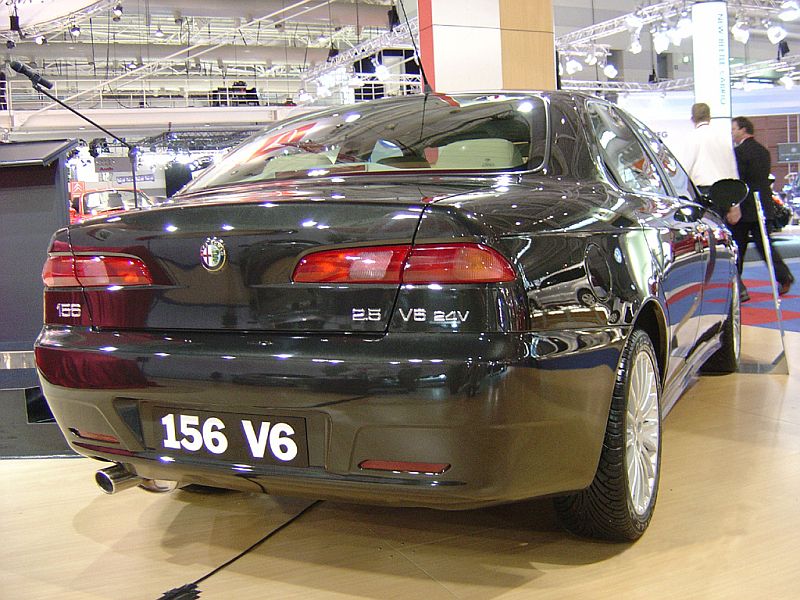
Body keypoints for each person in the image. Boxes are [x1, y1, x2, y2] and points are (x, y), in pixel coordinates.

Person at [731, 116, 794, 297]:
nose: (733, 133)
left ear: (743, 129)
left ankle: (737, 285)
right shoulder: (764, 151)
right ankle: (784, 276)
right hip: (763, 206)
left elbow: (740, 180)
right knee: (765, 246)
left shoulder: (739, 153)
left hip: (744, 207)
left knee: (738, 248)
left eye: (734, 129)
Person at [680, 102, 739, 194]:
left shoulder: (692, 137)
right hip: (725, 189)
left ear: (692, 119)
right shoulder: (722, 137)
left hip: (704, 190)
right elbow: (732, 167)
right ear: (709, 117)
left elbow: (686, 167)